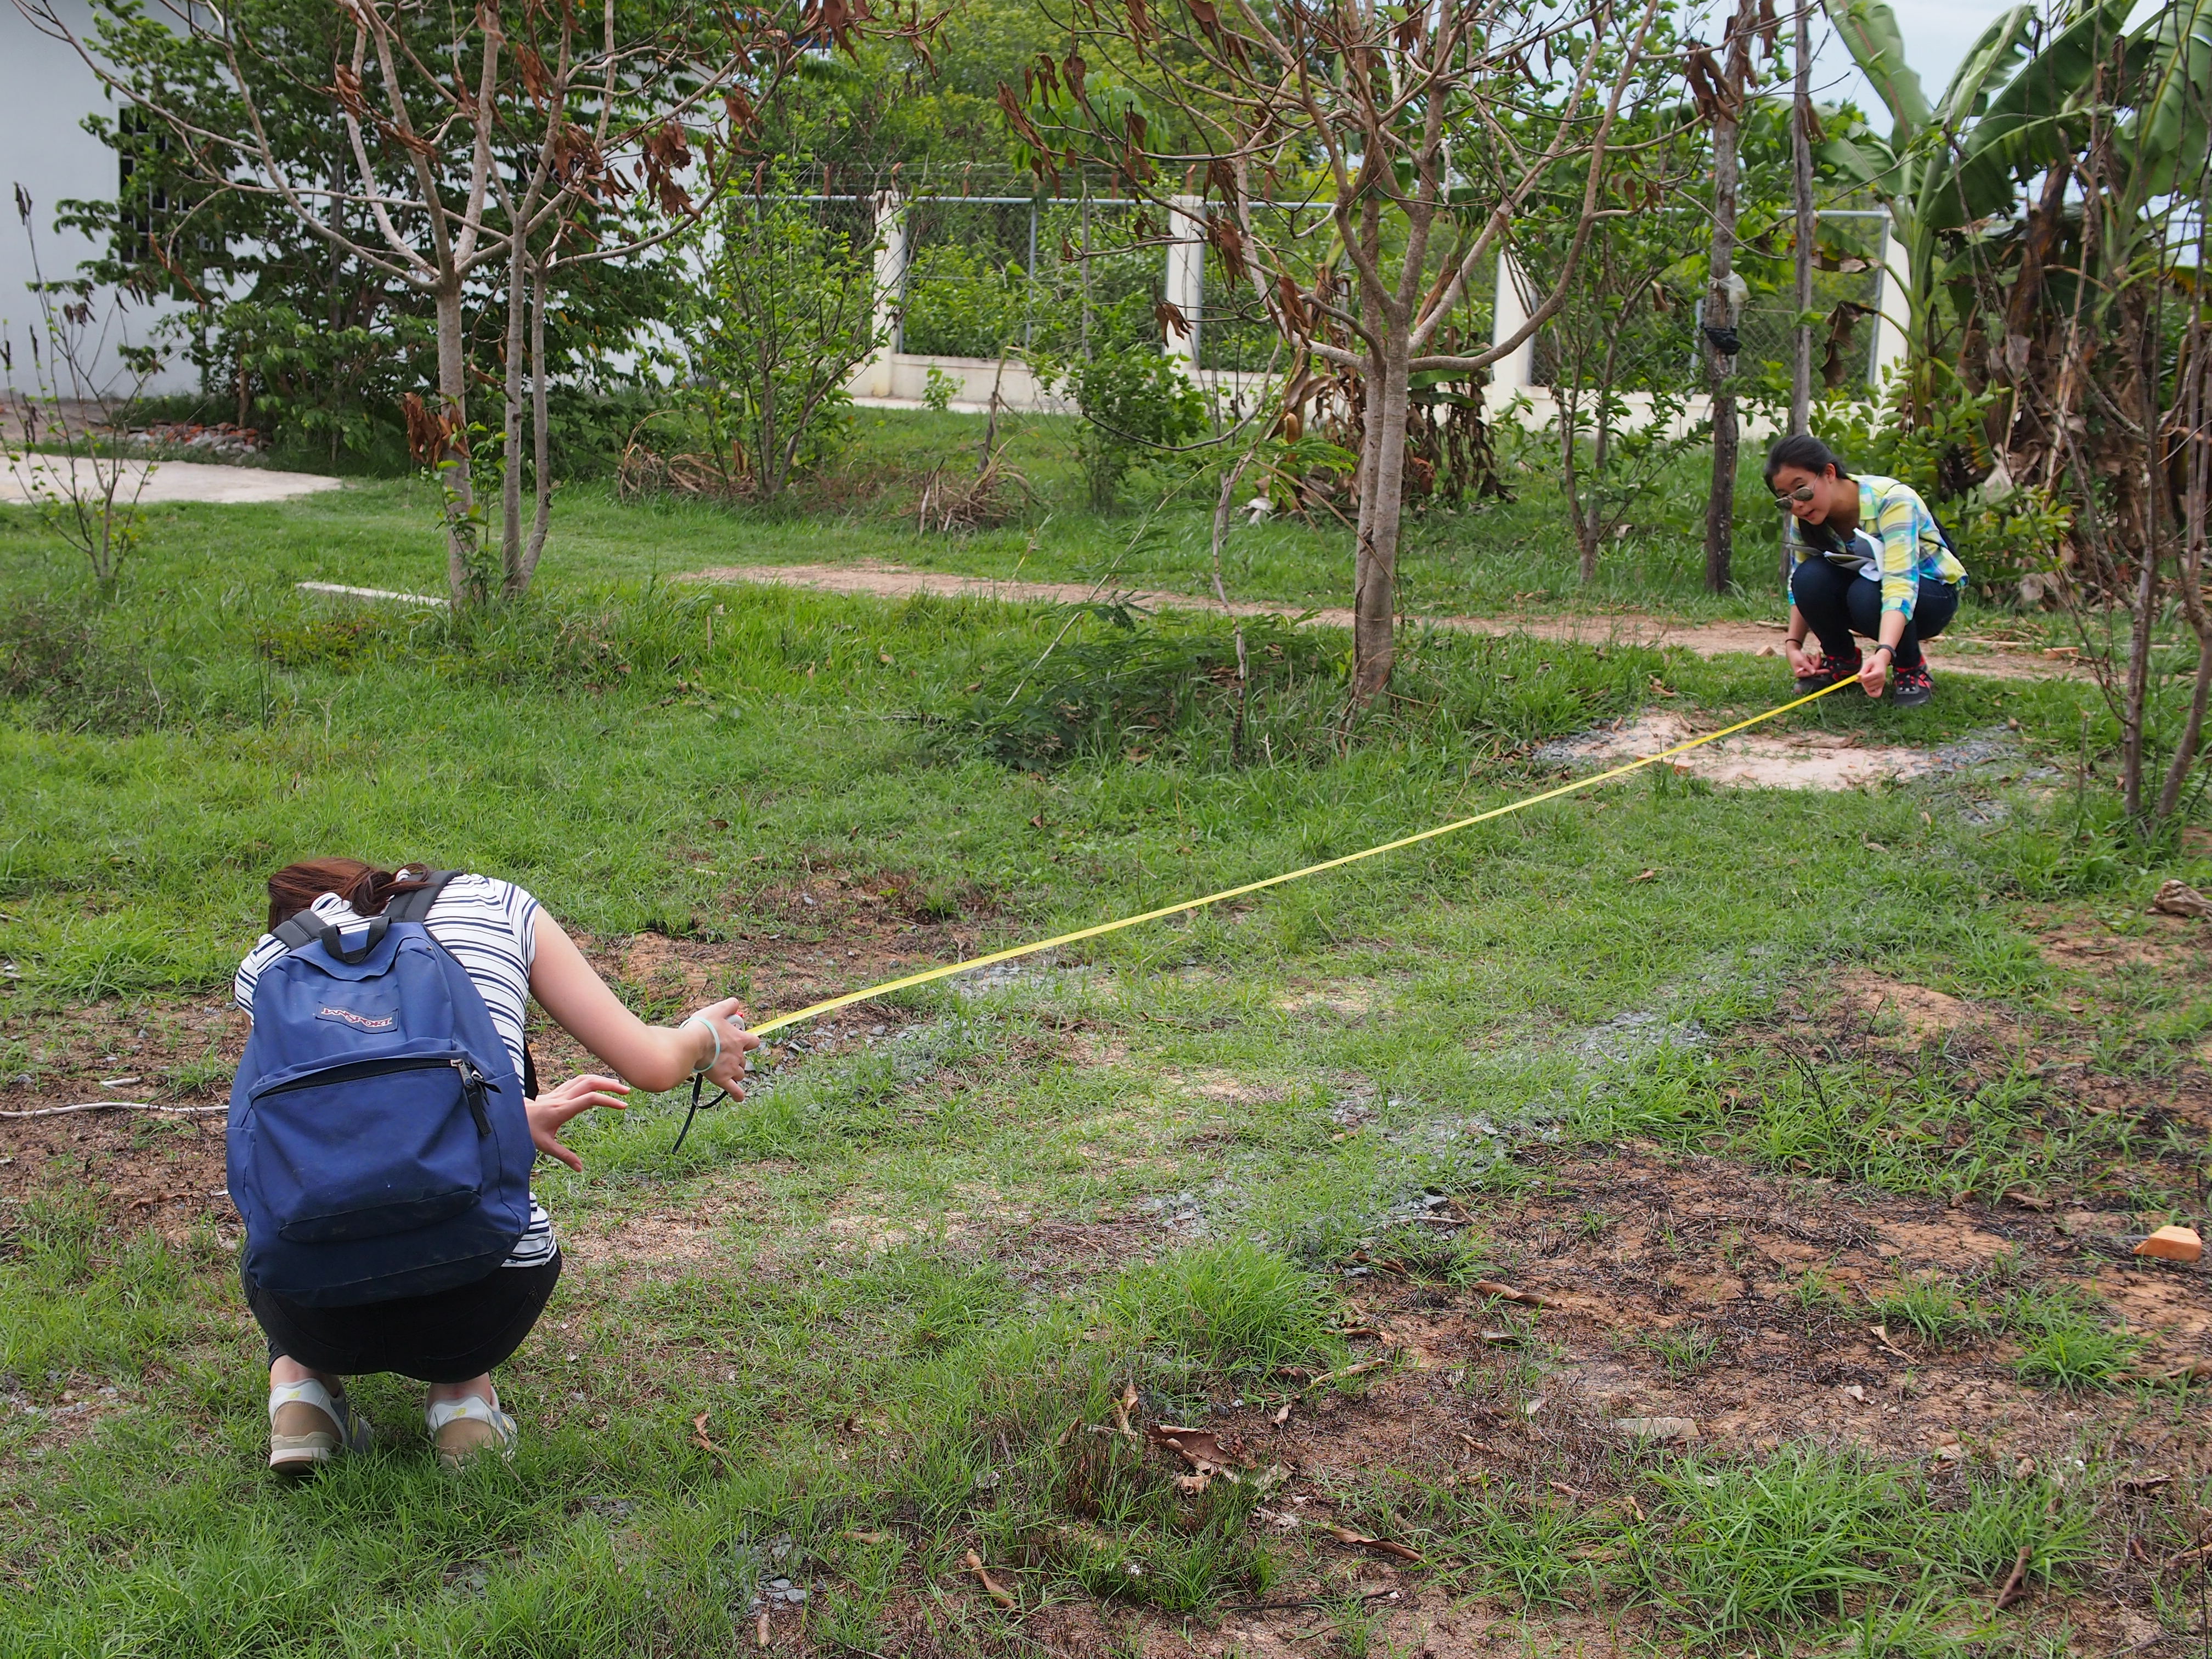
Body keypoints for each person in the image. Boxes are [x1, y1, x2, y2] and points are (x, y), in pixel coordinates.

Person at [233, 858, 758, 1474]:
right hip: (486, 1292)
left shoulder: (271, 963)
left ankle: (300, 1392)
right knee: (468, 1221)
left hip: (313, 1307)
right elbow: (651, 1064)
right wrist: (705, 1039)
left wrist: (519, 1117)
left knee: (286, 1186)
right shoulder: (492, 904)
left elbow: (343, 1128)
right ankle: (463, 1405)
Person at [1767, 433, 1967, 709]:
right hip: (1870, 589)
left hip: (1930, 595)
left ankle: (1911, 668)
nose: (1797, 504)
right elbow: (1799, 585)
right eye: (1785, 499)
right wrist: (1793, 646)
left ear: (1829, 473)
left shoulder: (1892, 501)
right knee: (1808, 578)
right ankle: (1842, 661)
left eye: (1801, 490)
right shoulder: (1806, 518)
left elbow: (1901, 583)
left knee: (1867, 591)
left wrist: (1884, 653)